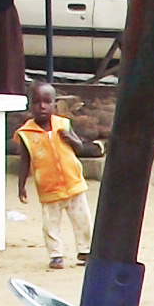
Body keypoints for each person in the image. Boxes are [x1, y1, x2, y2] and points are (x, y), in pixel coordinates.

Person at [12, 82, 95, 270]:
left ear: (55, 105)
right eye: (37, 102)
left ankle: (85, 250)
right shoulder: (26, 133)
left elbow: (80, 147)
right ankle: (56, 254)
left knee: (83, 220)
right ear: (30, 105)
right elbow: (25, 161)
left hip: (73, 183)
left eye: (47, 102)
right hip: (48, 188)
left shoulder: (63, 125)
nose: (42, 107)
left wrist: (71, 139)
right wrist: (21, 185)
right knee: (51, 225)